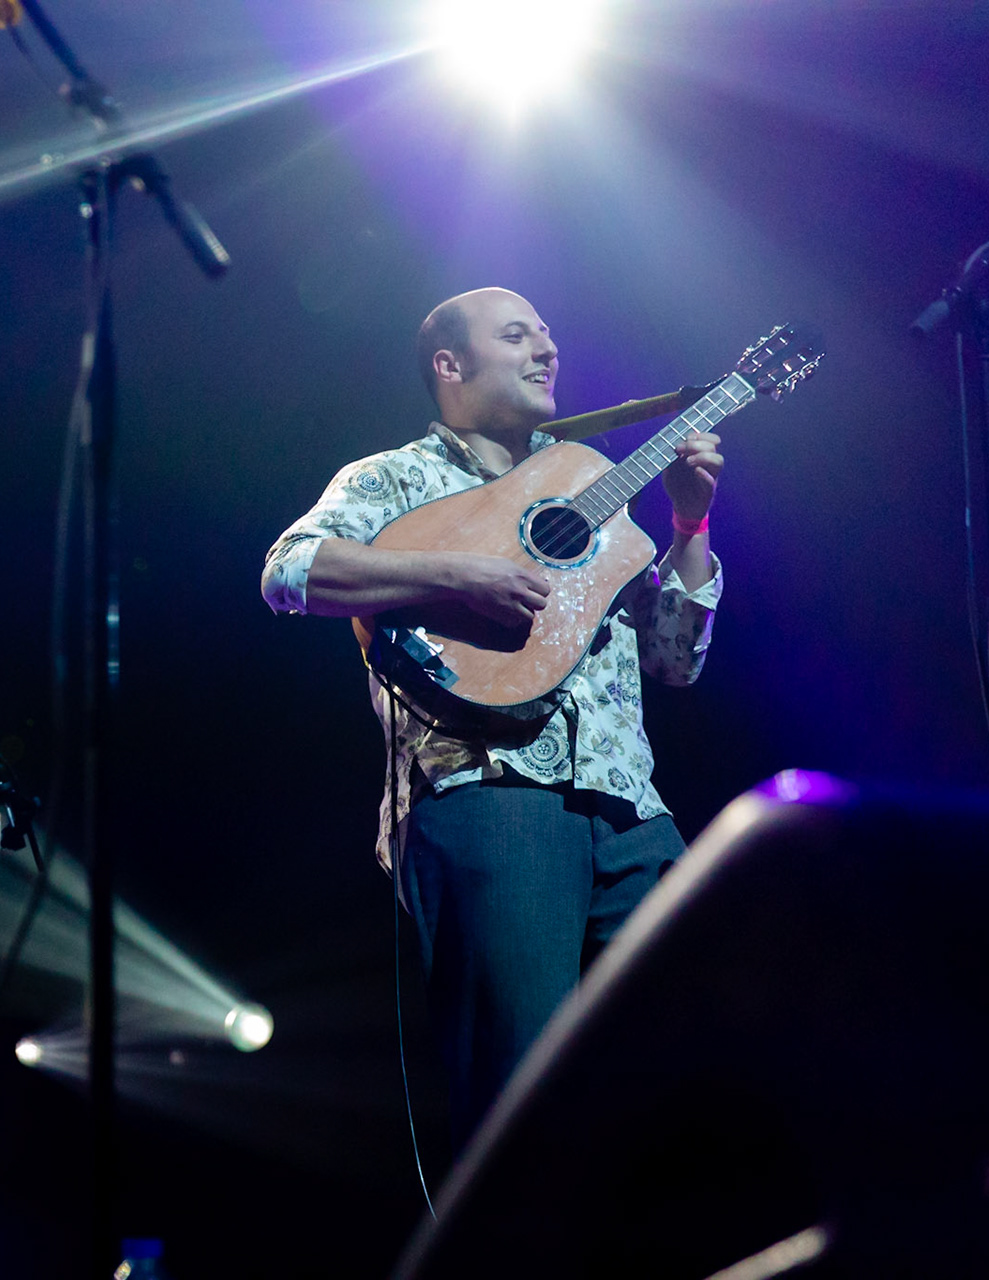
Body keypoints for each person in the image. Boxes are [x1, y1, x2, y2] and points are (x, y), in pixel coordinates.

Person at [259, 288, 724, 1153]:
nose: (546, 350)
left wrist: (689, 523)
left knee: (687, 1075)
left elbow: (674, 661)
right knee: (525, 1098)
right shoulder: (394, 479)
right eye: (517, 336)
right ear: (451, 366)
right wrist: (457, 576)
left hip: (632, 810)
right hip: (490, 796)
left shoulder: (589, 482)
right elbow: (290, 574)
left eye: (549, 336)